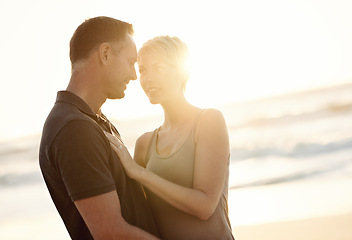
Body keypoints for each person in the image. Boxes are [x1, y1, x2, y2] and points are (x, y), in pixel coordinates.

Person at [39, 16, 160, 240]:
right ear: (105, 54)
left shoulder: (92, 119)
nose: (134, 75)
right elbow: (110, 233)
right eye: (130, 61)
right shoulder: (74, 129)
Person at [105, 35, 234, 240]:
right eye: (143, 71)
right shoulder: (144, 144)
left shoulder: (209, 121)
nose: (148, 79)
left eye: (159, 68)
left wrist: (139, 172)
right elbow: (138, 212)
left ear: (181, 71)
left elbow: (205, 206)